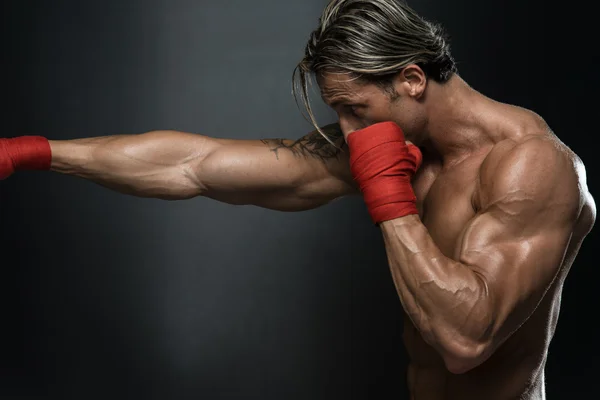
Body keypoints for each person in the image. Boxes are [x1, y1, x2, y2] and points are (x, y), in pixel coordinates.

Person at [0, 0, 595, 398]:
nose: (347, 130)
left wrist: (389, 198)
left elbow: (465, 341)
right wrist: (31, 151)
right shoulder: (394, 141)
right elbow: (195, 166)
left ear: (412, 80)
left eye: (355, 109)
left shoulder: (531, 166)